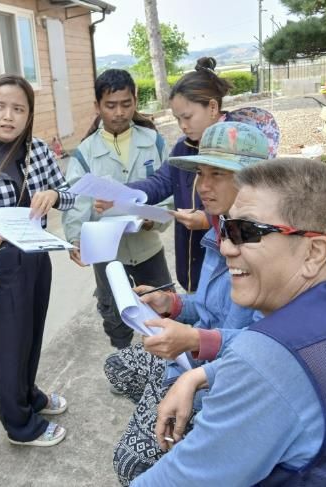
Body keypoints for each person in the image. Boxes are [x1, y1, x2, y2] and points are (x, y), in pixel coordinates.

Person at [134, 158, 326, 486]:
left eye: (246, 231)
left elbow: (176, 481)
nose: (226, 246)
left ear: (315, 252)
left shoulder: (269, 356)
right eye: (226, 228)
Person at [107, 122, 270, 486]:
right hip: (193, 360)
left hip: (226, 377)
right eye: (200, 173)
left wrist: (195, 341)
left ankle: (188, 425)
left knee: (130, 466)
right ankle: (171, 414)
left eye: (217, 174)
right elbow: (210, 305)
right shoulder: (220, 227)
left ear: (255, 180)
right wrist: (172, 303)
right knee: (117, 366)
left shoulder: (271, 247)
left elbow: (269, 346)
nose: (202, 186)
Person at [0, 74, 75, 447]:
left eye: (18, 109)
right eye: (0, 107)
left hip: (38, 255)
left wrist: (54, 195)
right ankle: (19, 425)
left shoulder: (39, 151)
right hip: (1, 262)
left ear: (29, 114)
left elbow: (68, 193)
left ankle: (29, 395)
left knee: (32, 334)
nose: (8, 116)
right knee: (9, 345)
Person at [96, 57, 280, 293]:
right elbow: (160, 182)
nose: (182, 126)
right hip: (194, 265)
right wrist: (122, 194)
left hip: (235, 270)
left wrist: (208, 220)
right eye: (177, 119)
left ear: (212, 107)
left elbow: (256, 209)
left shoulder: (241, 150)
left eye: (187, 117)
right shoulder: (184, 148)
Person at [61, 68, 173, 349]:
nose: (119, 112)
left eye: (126, 104)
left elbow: (169, 190)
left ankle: (166, 365)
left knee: (163, 309)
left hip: (148, 249)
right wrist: (75, 239)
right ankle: (124, 360)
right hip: (107, 254)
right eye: (110, 106)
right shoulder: (86, 152)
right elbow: (75, 201)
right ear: (97, 106)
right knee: (114, 314)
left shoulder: (153, 142)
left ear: (135, 101)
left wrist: (153, 219)